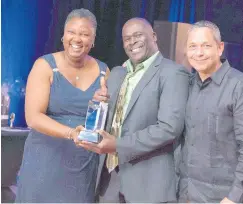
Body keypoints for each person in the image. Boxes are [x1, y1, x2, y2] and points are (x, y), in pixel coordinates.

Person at [77, 17, 190, 203]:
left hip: (148, 185)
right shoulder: (117, 74)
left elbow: (169, 128)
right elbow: (112, 123)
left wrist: (118, 145)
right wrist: (98, 106)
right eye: (126, 38)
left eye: (138, 35)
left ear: (153, 36)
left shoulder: (173, 73)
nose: (132, 42)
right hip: (109, 180)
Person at [15, 8, 109, 203]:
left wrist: (104, 104)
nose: (77, 39)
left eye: (84, 34)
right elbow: (33, 118)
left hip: (82, 168)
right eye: (72, 32)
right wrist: (71, 133)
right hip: (44, 165)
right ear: (63, 36)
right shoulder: (45, 66)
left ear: (93, 40)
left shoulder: (103, 71)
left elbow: (103, 120)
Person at [177, 20, 243, 203]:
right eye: (192, 46)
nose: (199, 53)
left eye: (206, 46)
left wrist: (233, 198)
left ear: (220, 48)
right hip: (186, 196)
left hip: (225, 199)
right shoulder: (186, 85)